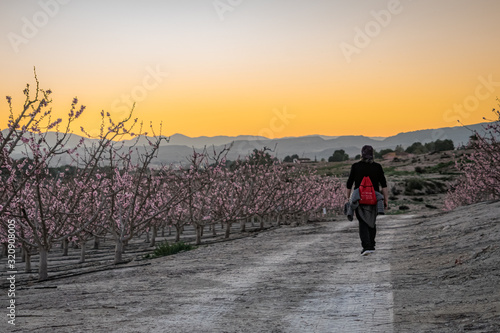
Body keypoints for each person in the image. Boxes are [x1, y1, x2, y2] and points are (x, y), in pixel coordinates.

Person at [346, 145, 388, 256]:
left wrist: (348, 198)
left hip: (359, 199)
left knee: (362, 222)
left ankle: (366, 247)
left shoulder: (355, 166)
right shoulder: (377, 167)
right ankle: (372, 245)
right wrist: (385, 200)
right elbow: (384, 185)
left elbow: (349, 184)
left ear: (361, 154)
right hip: (374, 199)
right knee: (372, 221)